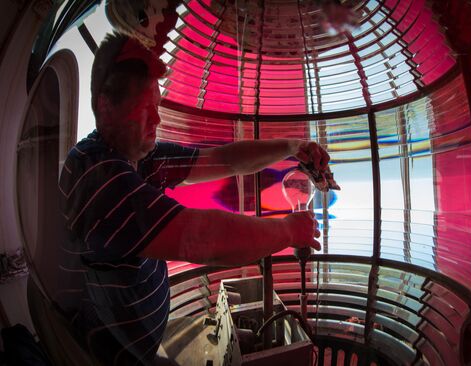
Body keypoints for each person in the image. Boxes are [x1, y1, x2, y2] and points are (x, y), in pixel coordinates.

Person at [55, 32, 330, 365]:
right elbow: (202, 239)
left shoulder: (140, 157)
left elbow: (225, 160)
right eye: (144, 110)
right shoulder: (97, 177)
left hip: (136, 347)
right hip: (107, 356)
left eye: (155, 107)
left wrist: (292, 147)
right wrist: (288, 231)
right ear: (106, 107)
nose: (156, 120)